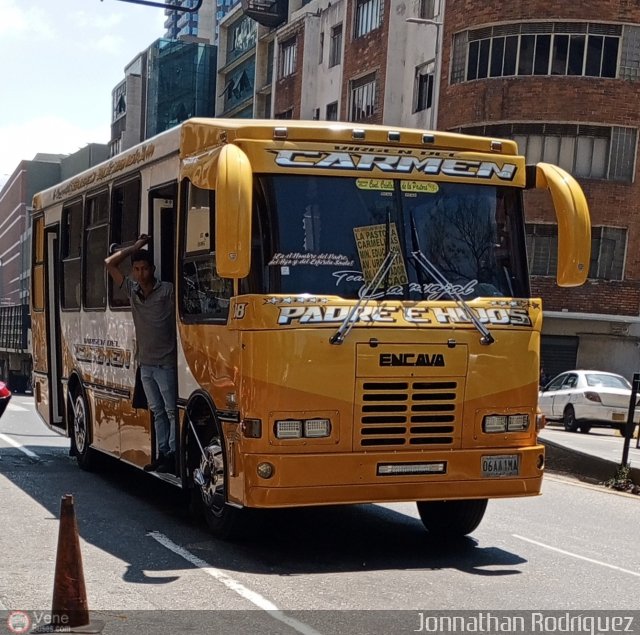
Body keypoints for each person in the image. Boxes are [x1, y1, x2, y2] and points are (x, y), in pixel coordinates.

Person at [105, 235, 177, 473]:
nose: (140, 273)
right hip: (145, 364)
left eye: (145, 269)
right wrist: (134, 248)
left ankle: (174, 456)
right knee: (157, 412)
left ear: (152, 270)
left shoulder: (167, 291)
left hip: (166, 362)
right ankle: (163, 453)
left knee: (171, 411)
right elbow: (109, 264)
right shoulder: (132, 289)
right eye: (136, 269)